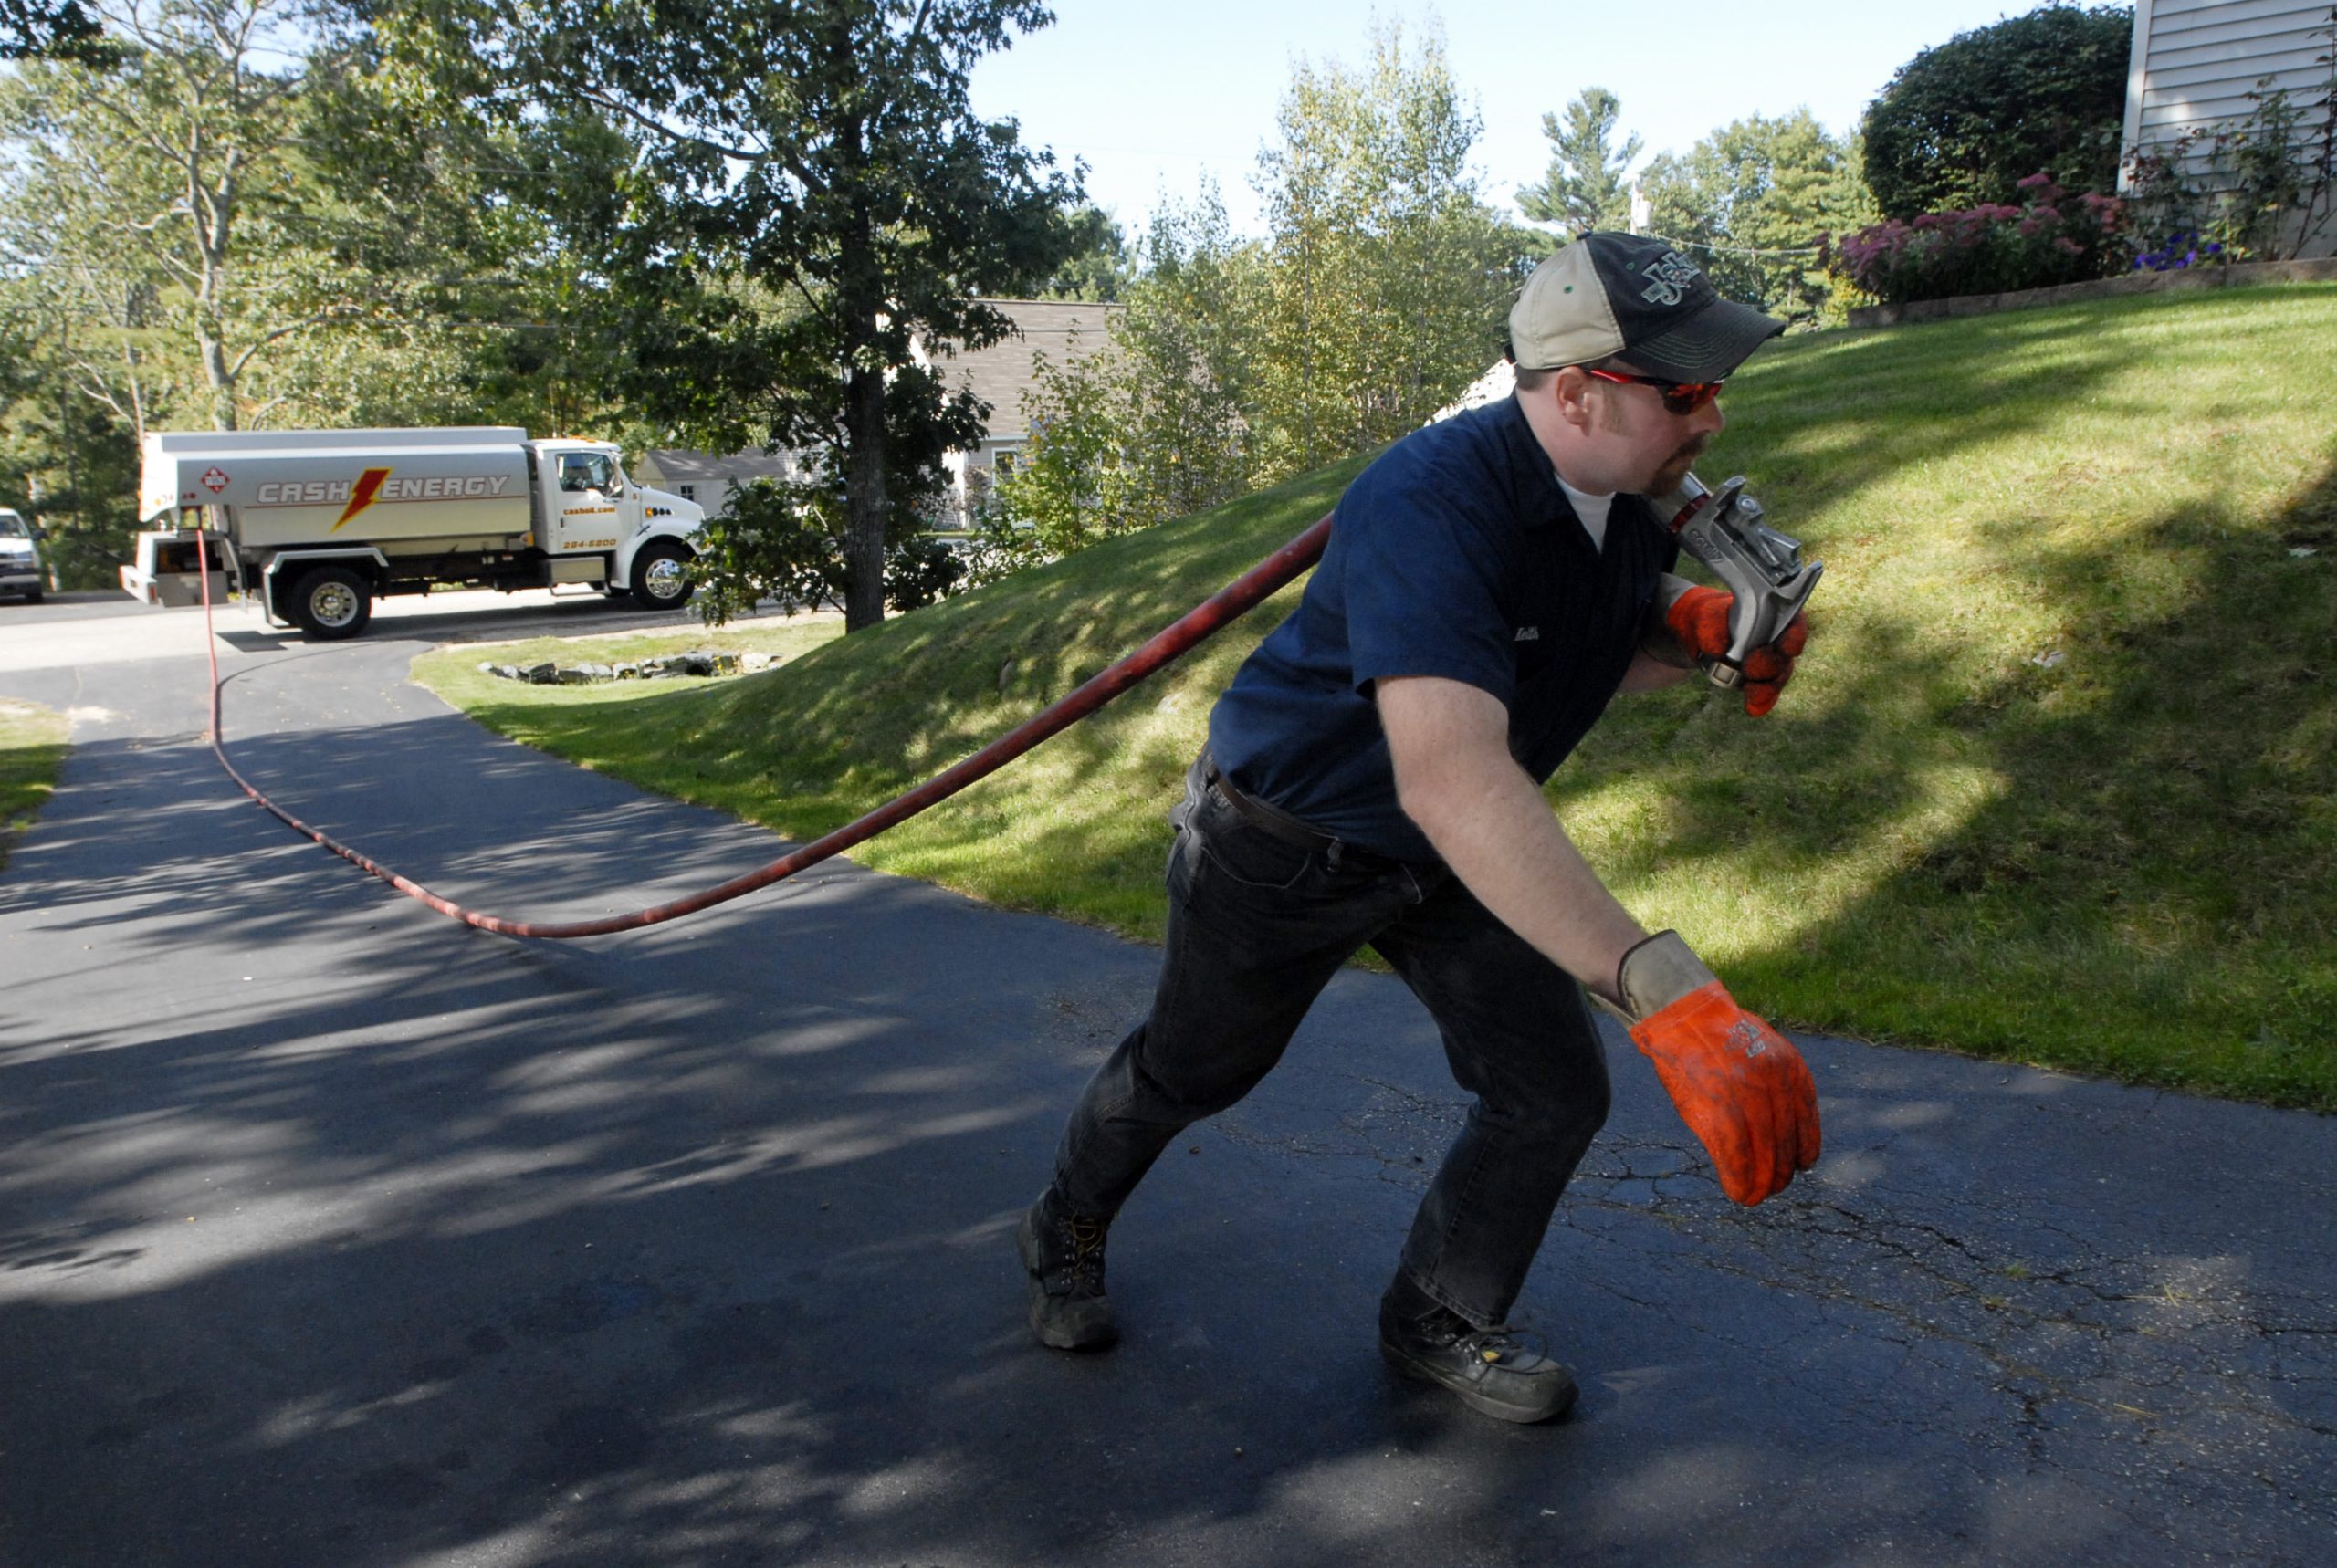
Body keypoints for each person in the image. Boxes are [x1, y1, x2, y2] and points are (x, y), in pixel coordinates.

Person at [1015, 233, 1823, 1426]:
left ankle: (1439, 1312)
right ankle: (1065, 1221)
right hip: (1287, 840)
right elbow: (1453, 775)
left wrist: (1694, 632)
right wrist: (1661, 984)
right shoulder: (1429, 500)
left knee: (1549, 1085)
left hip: (1443, 856)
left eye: (1718, 385)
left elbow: (1568, 648)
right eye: (1686, 391)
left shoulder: (1627, 500)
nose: (1712, 417)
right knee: (1197, 1069)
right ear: (1576, 392)